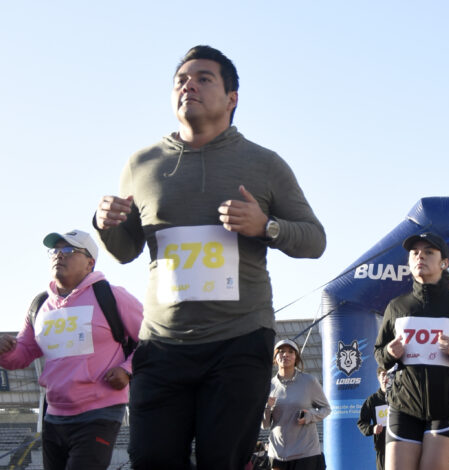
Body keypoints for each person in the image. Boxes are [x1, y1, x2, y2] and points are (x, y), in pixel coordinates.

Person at [94, 45, 326, 469]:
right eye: (181, 78)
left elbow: (314, 240)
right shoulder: (141, 164)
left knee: (223, 461)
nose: (189, 85)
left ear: (232, 98)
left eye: (203, 78)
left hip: (238, 340)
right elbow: (126, 251)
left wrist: (266, 227)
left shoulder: (264, 164)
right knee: (151, 458)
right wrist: (105, 223)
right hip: (161, 344)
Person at [0, 230, 143, 470]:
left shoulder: (112, 296)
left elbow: (153, 339)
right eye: (54, 250)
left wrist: (127, 370)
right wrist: (5, 351)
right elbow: (22, 354)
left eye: (69, 250)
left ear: (90, 263)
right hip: (54, 415)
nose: (59, 255)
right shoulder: (40, 306)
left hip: (100, 412)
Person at [373, 232, 449, 470]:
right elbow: (379, 354)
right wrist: (389, 352)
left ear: (444, 263)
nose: (420, 257)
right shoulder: (397, 306)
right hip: (404, 404)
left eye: (428, 252)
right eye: (415, 253)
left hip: (447, 406)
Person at [263, 339, 330, 469]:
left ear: (296, 358)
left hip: (306, 453)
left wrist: (310, 415)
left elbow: (326, 409)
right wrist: (267, 407)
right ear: (275, 358)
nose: (285, 355)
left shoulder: (309, 381)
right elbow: (264, 425)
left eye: (290, 352)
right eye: (281, 351)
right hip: (278, 453)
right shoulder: (268, 385)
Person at [358, 367, 390, 470]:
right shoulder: (372, 400)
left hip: (402, 448)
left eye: (388, 375)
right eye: (383, 374)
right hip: (383, 450)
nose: (386, 378)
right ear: (378, 377)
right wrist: (372, 429)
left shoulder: (401, 398)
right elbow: (362, 423)